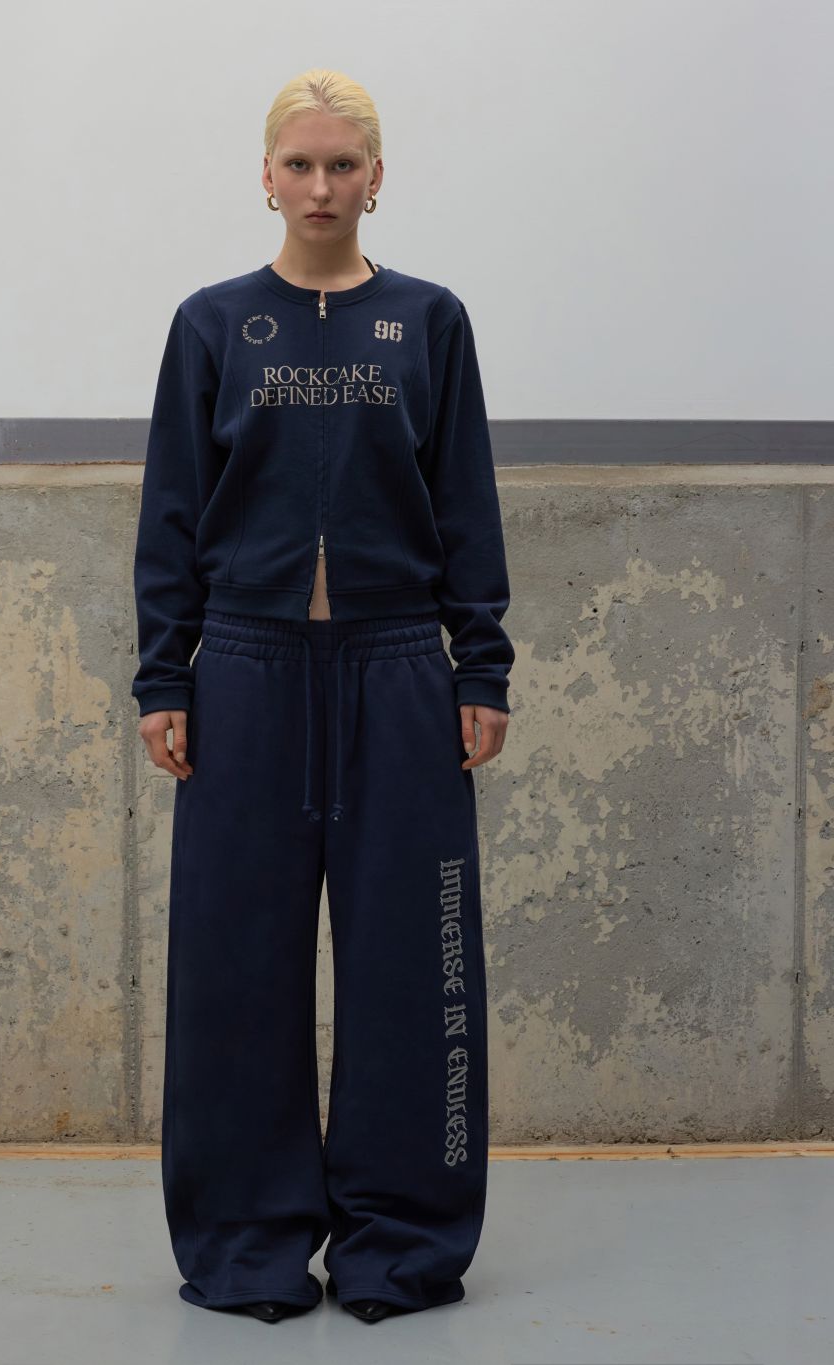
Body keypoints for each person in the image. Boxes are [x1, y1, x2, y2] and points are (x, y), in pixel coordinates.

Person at [132, 67, 514, 1326]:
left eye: (341, 164)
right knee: (236, 969)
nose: (319, 186)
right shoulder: (211, 324)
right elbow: (172, 511)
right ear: (265, 177)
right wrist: (165, 672)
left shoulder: (429, 320)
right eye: (298, 164)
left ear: (376, 178)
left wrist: (479, 663)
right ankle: (245, 1239)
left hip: (399, 672)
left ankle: (402, 1242)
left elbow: (464, 499)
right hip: (244, 674)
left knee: (416, 966)